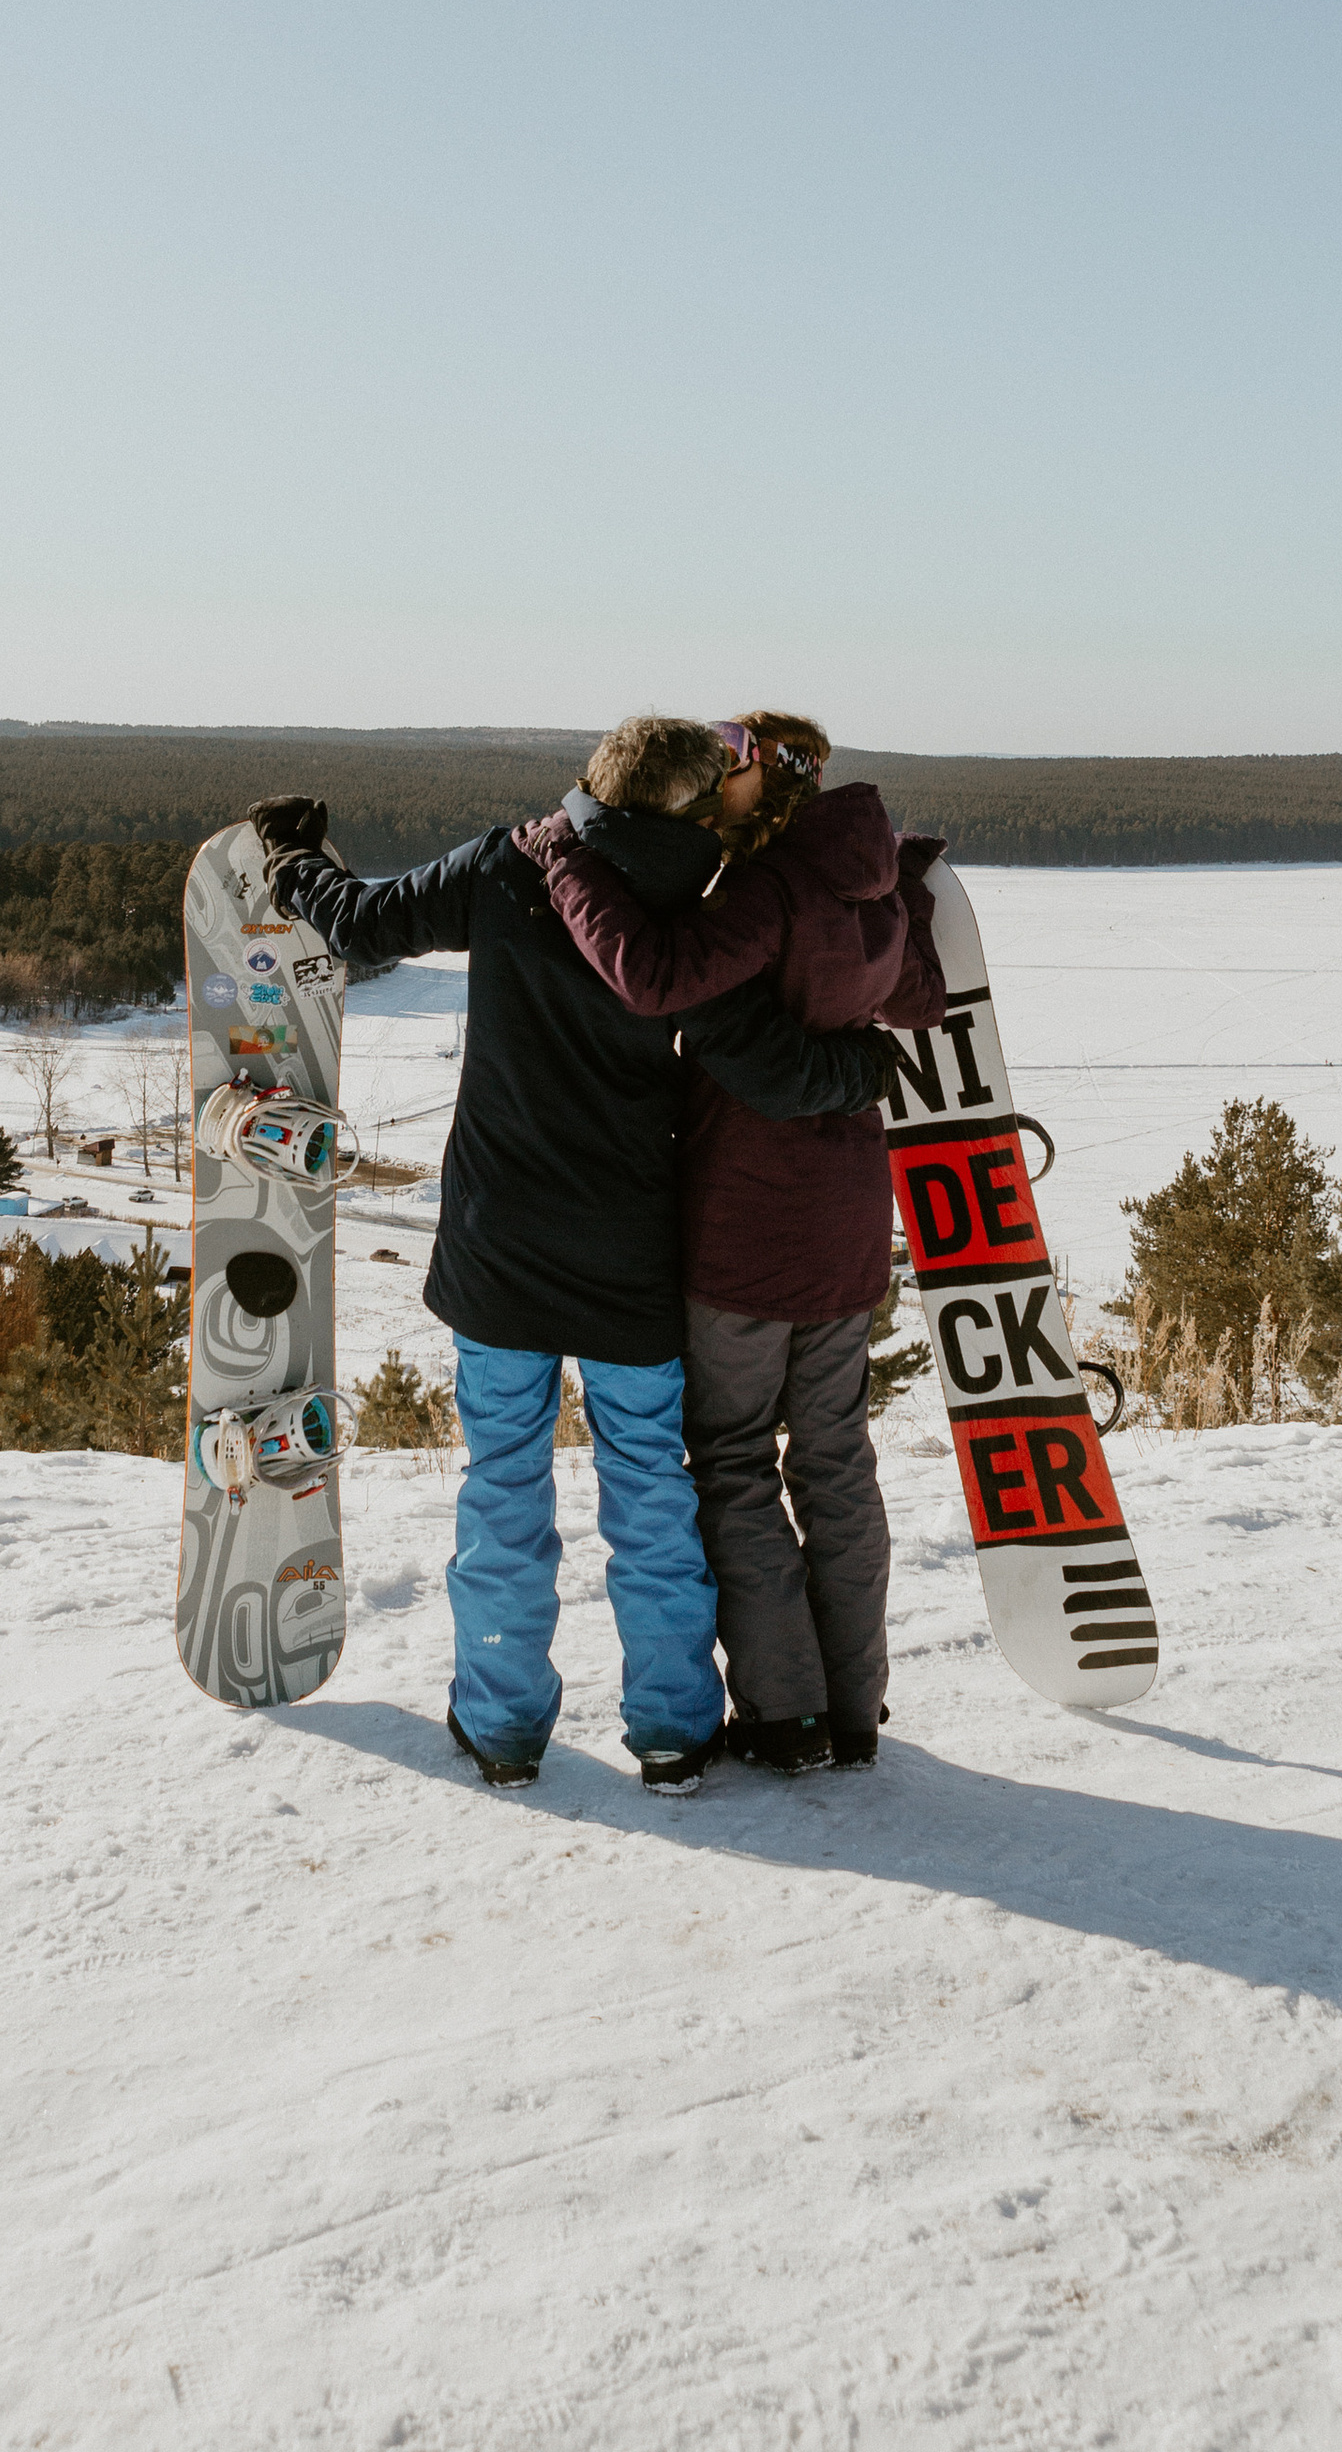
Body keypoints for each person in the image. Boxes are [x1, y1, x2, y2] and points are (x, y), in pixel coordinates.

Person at [249, 720, 888, 1794]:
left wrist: (292, 857)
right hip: (632, 1251)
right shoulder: (701, 907)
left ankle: (502, 1728)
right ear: (693, 806)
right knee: (650, 1490)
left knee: (504, 1481)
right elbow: (766, 1065)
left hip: (500, 1241)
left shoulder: (510, 863)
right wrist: (862, 1069)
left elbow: (360, 925)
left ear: (594, 783)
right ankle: (675, 1730)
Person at [516, 712, 945, 1772]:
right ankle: (855, 1708)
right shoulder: (870, 888)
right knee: (837, 1458)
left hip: (746, 1222)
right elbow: (923, 997)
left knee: (736, 1461)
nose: (715, 787)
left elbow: (654, 980)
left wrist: (567, 863)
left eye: (730, 767)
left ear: (768, 785)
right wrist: (908, 889)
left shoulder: (766, 890)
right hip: (848, 1219)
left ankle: (786, 1714)